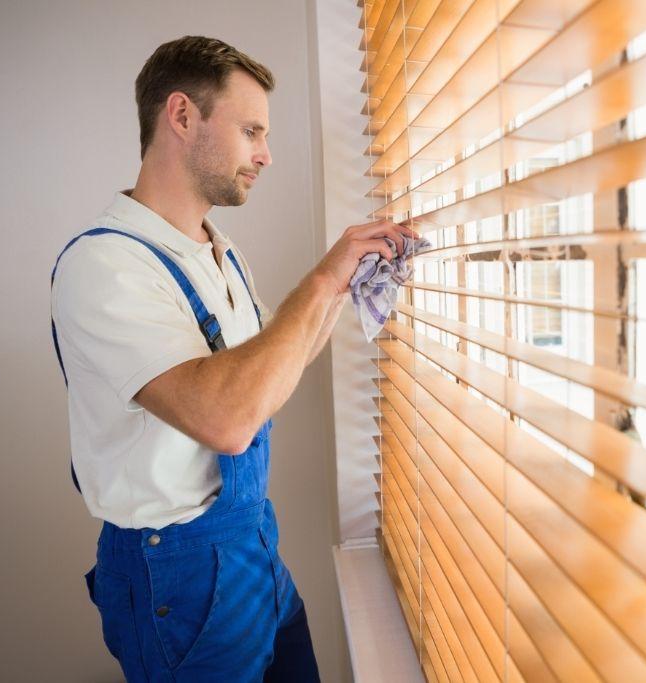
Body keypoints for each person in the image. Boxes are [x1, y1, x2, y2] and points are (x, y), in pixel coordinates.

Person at [50, 35, 415, 682]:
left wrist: (350, 282)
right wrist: (324, 280)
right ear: (183, 116)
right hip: (176, 573)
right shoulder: (105, 266)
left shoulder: (222, 251)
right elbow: (227, 416)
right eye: (251, 131)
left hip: (252, 544)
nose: (266, 155)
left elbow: (273, 362)